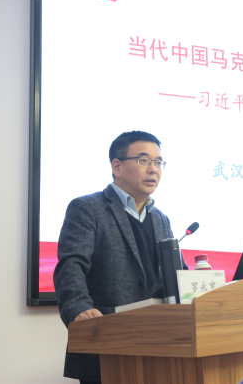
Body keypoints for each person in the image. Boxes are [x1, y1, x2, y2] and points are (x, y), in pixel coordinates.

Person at [53, 130, 187, 384]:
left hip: (160, 344)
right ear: (117, 166)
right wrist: (79, 308)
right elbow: (71, 264)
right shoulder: (88, 208)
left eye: (159, 162)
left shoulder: (161, 219)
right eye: (144, 160)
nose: (153, 169)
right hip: (107, 342)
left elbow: (176, 275)